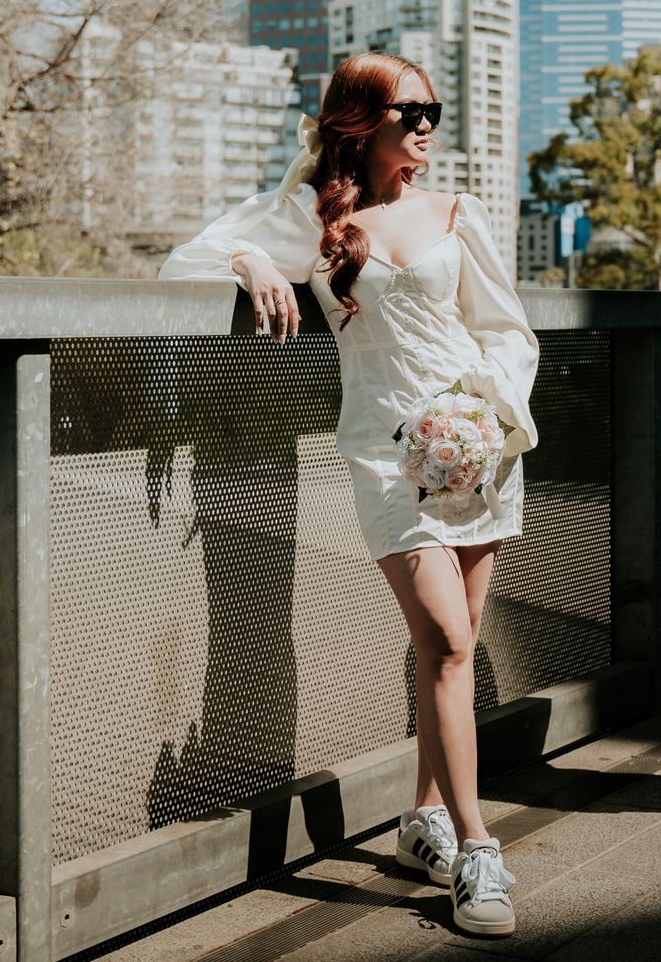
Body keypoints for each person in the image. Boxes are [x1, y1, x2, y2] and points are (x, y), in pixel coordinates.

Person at [160, 51, 538, 936]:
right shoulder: (314, 216)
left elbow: (507, 331)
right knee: (447, 640)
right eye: (412, 113)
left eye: (434, 110)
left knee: (449, 647)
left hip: (476, 446)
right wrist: (252, 263)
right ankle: (477, 849)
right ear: (360, 124)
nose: (429, 126)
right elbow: (186, 259)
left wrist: (482, 415)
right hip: (383, 454)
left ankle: (424, 819)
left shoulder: (457, 212)